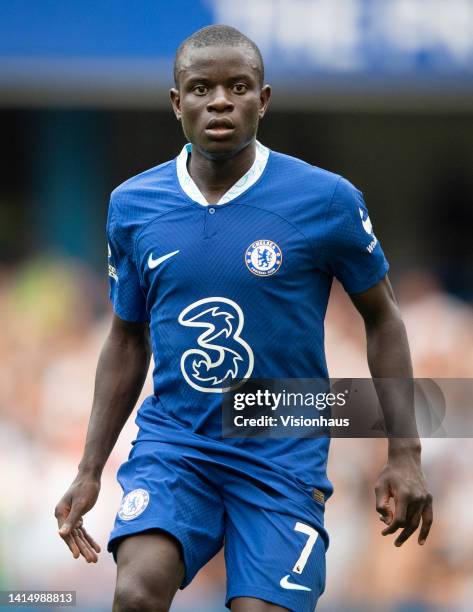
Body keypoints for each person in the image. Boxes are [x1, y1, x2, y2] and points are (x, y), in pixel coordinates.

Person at [55, 25, 433, 612]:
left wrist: (404, 455)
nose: (221, 101)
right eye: (202, 88)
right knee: (136, 591)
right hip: (178, 442)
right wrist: (89, 469)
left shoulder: (326, 200)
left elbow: (383, 321)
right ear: (177, 102)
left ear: (265, 99)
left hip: (281, 449)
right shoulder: (132, 205)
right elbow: (126, 339)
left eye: (239, 86)